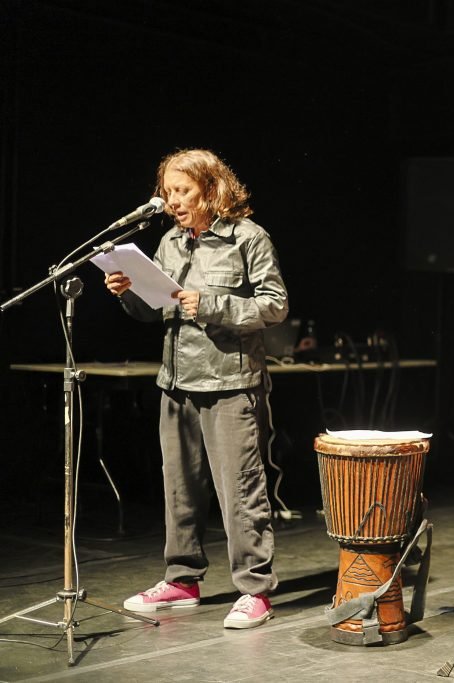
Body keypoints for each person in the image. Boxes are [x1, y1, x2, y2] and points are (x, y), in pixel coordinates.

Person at [105, 149, 289, 629]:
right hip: (176, 380)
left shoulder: (247, 237)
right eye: (168, 191)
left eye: (182, 190)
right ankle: (182, 581)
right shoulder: (169, 241)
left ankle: (255, 591)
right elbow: (155, 309)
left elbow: (274, 306)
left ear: (211, 189)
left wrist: (211, 304)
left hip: (230, 381)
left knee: (240, 491)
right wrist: (128, 293)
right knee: (179, 489)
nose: (173, 200)